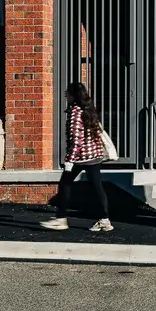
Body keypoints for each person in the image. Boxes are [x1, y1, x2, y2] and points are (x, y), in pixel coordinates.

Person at [41, 82, 113, 232]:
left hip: (81, 157)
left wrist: (69, 161)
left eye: (68, 92)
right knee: (97, 187)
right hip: (94, 155)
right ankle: (104, 220)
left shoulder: (75, 112)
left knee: (65, 184)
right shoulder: (88, 110)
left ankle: (61, 218)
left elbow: (76, 140)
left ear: (74, 95)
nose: (66, 95)